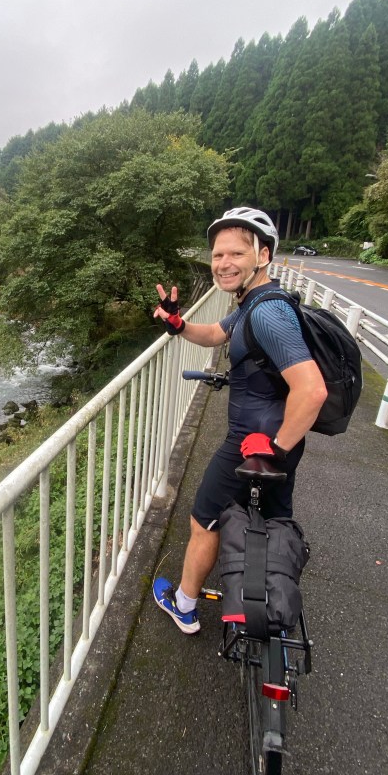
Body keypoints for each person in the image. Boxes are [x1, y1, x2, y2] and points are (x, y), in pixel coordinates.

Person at [152, 207, 327, 633]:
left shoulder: (267, 313)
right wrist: (178, 324)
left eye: (236, 253)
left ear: (263, 256)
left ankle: (184, 605)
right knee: (272, 522)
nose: (223, 263)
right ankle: (270, 606)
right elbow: (216, 333)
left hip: (256, 443)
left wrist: (274, 450)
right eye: (217, 255)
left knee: (204, 519)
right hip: (280, 441)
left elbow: (312, 391)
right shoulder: (254, 303)